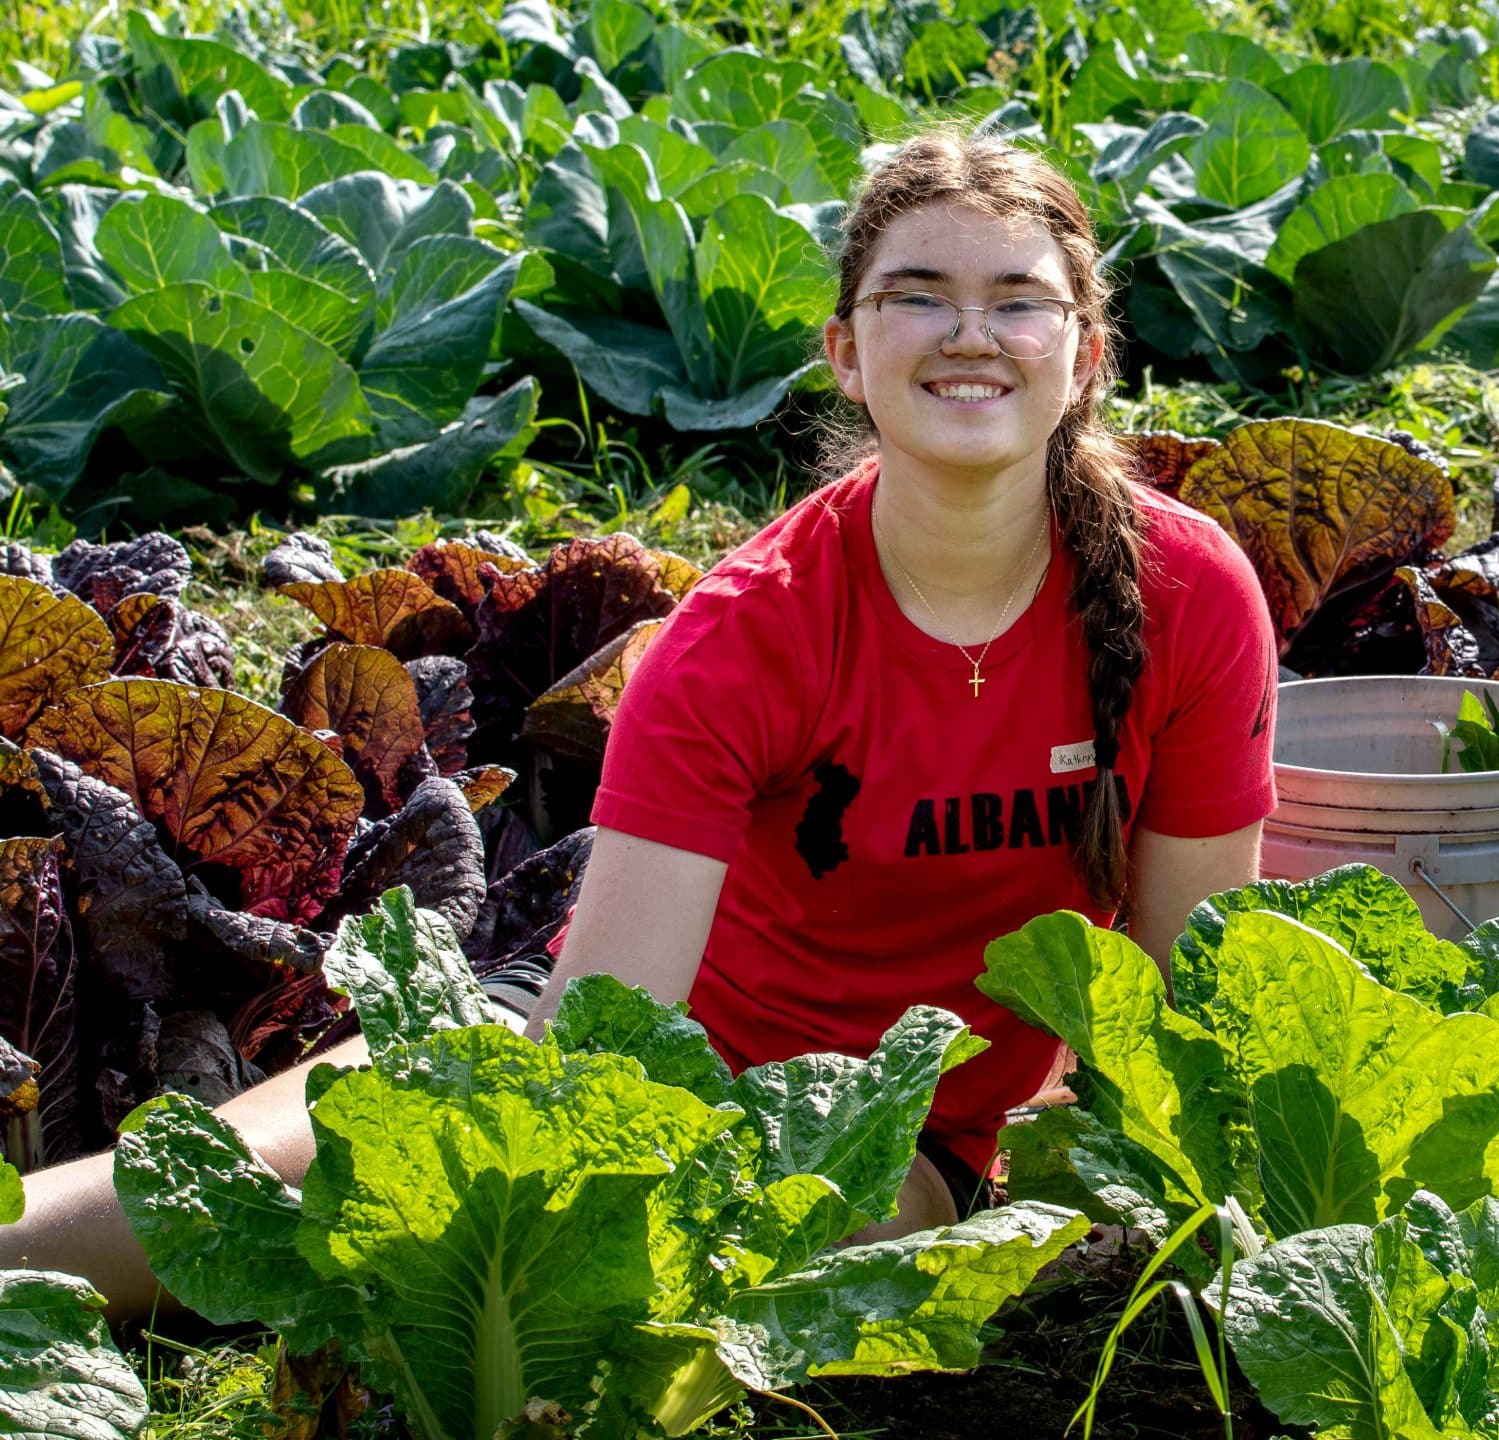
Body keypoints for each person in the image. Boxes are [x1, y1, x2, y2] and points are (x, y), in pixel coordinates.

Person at [0, 126, 1279, 1316]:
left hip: (888, 1138)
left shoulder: (1190, 594)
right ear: (845, 349)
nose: (969, 334)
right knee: (204, 1198)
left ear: (1085, 354)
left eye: (1016, 301)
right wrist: (476, 1176)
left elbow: (1181, 982)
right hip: (601, 1049)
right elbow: (605, 1030)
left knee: (760, 1256)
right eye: (917, 295)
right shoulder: (749, 630)